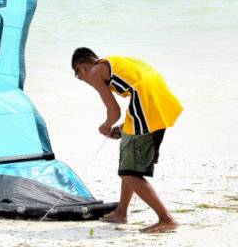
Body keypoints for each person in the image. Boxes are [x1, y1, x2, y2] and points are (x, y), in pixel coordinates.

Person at [72, 47, 182, 233]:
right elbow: (139, 89)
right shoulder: (114, 63)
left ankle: (166, 219)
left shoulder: (95, 72)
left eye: (78, 75)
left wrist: (105, 126)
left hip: (146, 107)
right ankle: (120, 213)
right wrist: (125, 128)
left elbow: (114, 111)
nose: (84, 80)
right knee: (127, 165)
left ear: (81, 67)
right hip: (158, 103)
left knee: (129, 173)